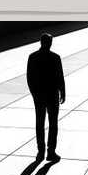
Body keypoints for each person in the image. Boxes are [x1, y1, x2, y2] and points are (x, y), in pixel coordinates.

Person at [26, 34, 65, 163]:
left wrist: (34, 94)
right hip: (52, 95)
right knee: (53, 124)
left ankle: (40, 151)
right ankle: (51, 151)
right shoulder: (55, 57)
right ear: (50, 43)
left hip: (39, 96)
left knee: (40, 123)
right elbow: (60, 77)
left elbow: (29, 78)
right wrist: (62, 92)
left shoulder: (33, 57)